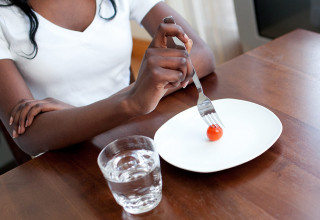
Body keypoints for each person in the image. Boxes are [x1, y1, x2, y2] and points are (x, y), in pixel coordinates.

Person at [0, 0, 215, 156]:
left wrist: (133, 98)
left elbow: (201, 57)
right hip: (66, 160)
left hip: (132, 137)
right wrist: (132, 101)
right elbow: (29, 135)